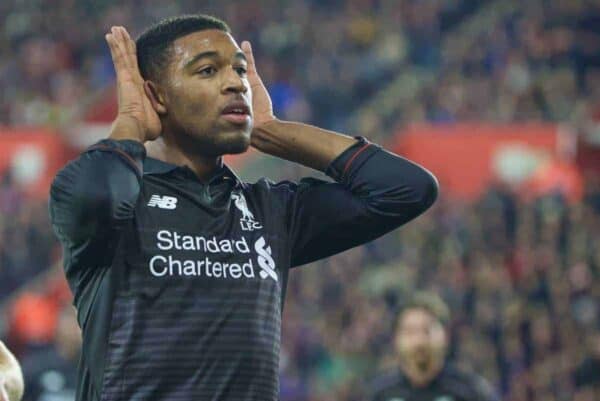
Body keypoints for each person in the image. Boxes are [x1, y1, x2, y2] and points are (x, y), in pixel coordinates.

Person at [49, 14, 438, 401]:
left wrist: (273, 131)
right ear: (157, 96)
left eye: (239, 69)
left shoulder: (272, 211)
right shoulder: (119, 202)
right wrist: (132, 122)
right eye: (207, 70)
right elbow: (92, 197)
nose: (235, 82)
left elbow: (406, 190)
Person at [368, 292, 499, 401]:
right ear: (396, 339)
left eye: (427, 331)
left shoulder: (471, 390)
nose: (419, 340)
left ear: (445, 335)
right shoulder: (380, 394)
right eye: (410, 332)